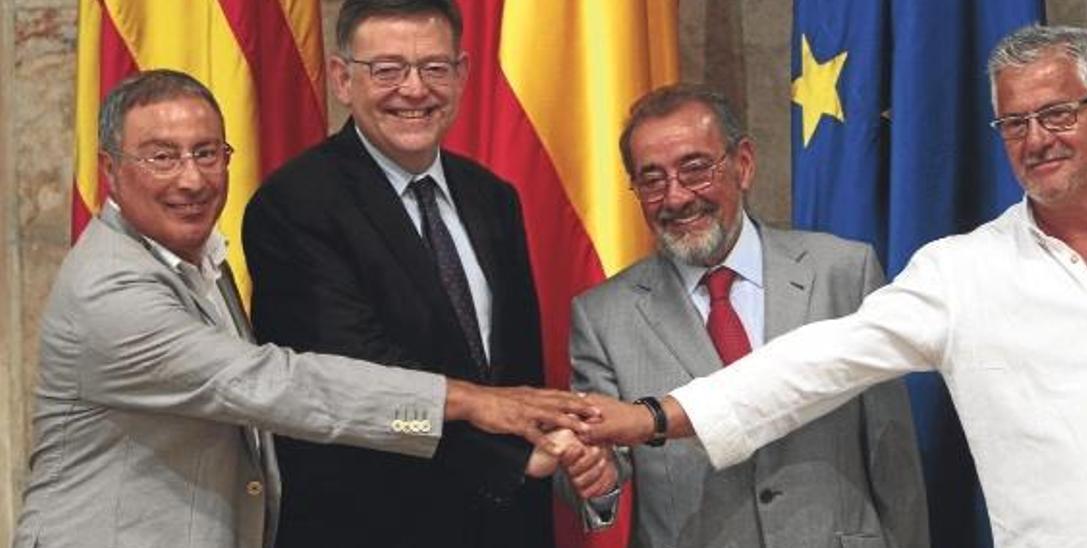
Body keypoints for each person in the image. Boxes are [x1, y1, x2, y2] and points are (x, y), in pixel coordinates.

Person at [580, 25, 1087, 547]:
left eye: (1057, 114)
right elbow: (814, 362)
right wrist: (653, 417)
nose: (1036, 140)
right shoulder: (961, 273)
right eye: (1014, 123)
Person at [11, 69, 597, 548]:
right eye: (162, 157)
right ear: (111, 172)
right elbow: (277, 388)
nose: (191, 179)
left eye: (207, 153)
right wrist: (472, 403)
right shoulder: (111, 290)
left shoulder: (191, 256)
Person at [240, 1, 605, 546]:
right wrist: (509, 457)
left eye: (434, 68)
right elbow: (354, 386)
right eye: (387, 69)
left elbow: (517, 377)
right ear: (342, 78)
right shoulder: (294, 205)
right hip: (372, 524)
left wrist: (558, 445)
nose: (414, 90)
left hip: (504, 525)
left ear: (461, 76)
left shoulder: (493, 198)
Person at [561, 84, 929, 548]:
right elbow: (596, 470)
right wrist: (596, 474)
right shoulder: (602, 316)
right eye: (652, 180)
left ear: (744, 164)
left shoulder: (842, 273)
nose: (675, 198)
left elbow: (892, 456)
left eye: (695, 170)